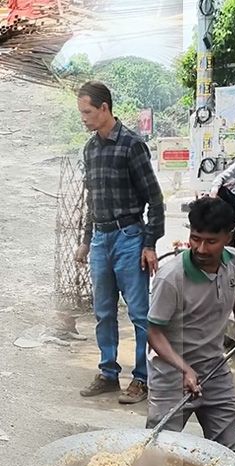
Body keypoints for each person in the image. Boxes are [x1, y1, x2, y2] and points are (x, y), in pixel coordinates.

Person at [73, 81, 165, 405]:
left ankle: (142, 379)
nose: (83, 118)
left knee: (140, 314)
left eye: (87, 111)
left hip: (129, 238)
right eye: (80, 112)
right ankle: (109, 374)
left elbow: (155, 199)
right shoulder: (90, 149)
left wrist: (149, 243)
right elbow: (91, 201)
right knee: (103, 311)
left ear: (104, 108)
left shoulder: (132, 145)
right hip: (101, 239)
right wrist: (86, 241)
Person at [146, 190, 235, 449]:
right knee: (160, 452)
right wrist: (184, 369)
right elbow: (153, 332)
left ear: (228, 236)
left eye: (211, 241)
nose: (201, 248)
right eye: (195, 238)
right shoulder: (170, 278)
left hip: (215, 370)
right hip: (171, 378)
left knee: (228, 447)